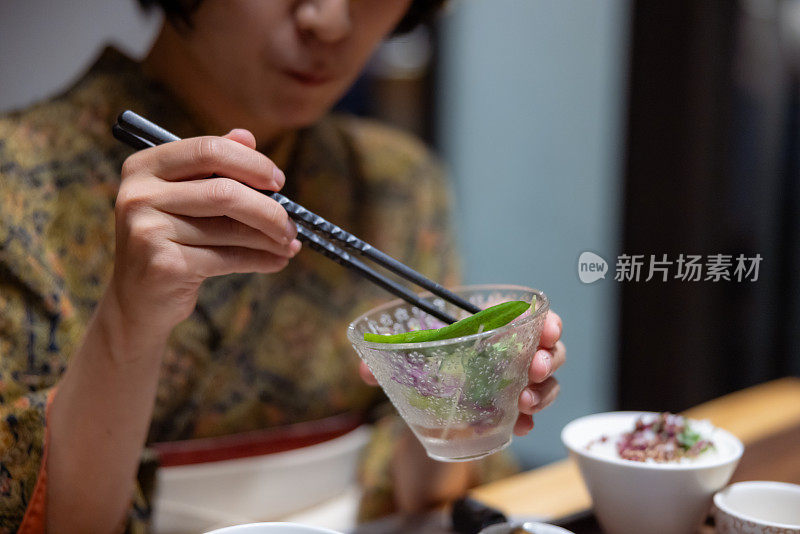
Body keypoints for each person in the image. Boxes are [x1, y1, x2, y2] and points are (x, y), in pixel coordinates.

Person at [0, 1, 566, 532]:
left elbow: (418, 499)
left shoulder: (400, 186)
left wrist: (458, 414)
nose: (330, 20)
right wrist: (129, 320)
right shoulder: (14, 186)